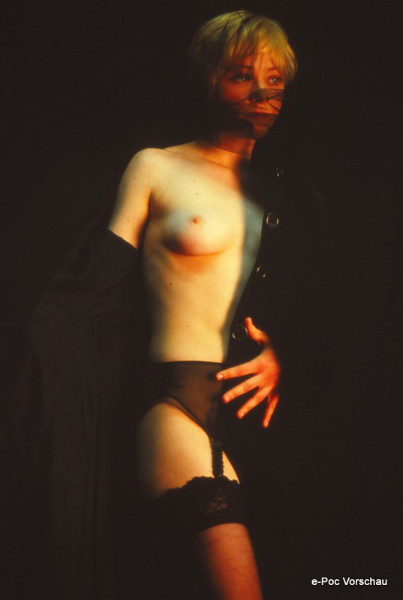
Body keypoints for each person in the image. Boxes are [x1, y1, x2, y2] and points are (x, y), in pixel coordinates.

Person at [107, 10, 297, 600]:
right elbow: (91, 290)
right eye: (242, 75)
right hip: (174, 402)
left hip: (254, 426)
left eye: (275, 80)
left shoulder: (288, 195)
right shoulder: (157, 165)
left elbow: (326, 311)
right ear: (205, 78)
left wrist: (283, 353)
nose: (262, 94)